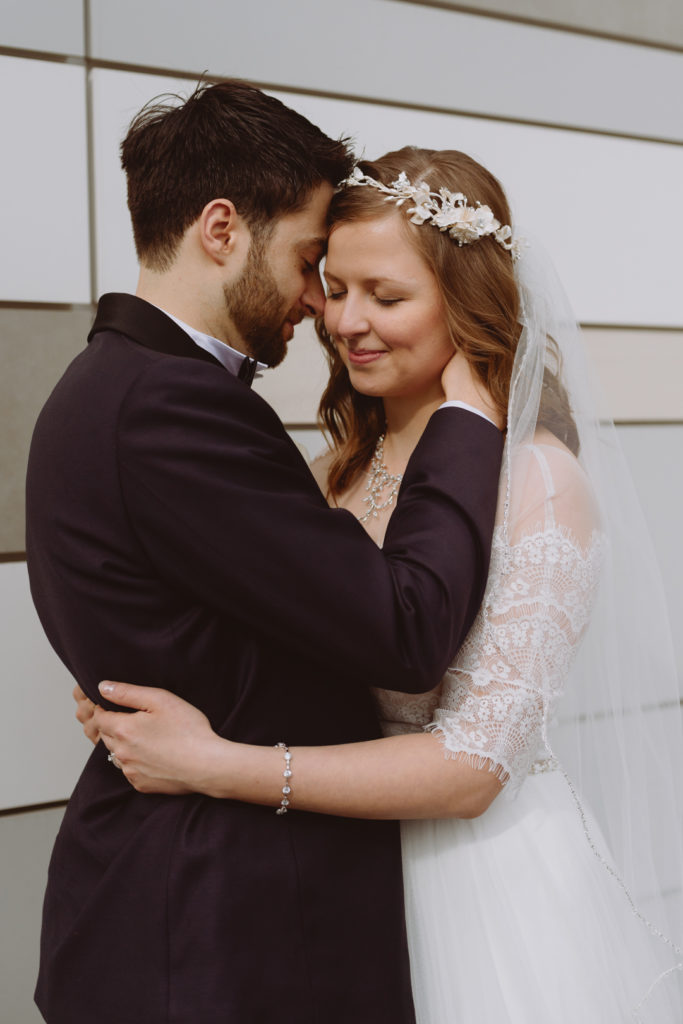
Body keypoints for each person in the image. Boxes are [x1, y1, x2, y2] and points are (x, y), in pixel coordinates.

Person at [87, 147, 683, 1022]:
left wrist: (214, 765)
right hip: (335, 883)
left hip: (481, 890)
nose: (344, 321)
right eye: (334, 286)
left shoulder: (538, 484)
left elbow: (475, 766)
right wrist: (132, 685)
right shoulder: (333, 473)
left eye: (388, 296)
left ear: (466, 303)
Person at [25, 85, 506, 1024]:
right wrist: (463, 420)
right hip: (219, 929)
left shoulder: (103, 386)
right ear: (221, 229)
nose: (318, 305)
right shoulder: (171, 404)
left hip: (191, 907)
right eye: (309, 261)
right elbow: (404, 629)